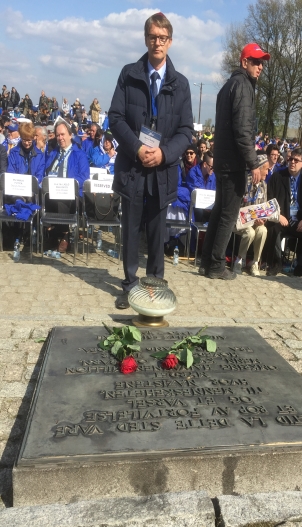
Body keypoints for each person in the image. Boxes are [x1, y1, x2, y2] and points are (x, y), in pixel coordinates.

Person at [109, 12, 193, 309]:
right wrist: (136, 148)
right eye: (152, 37)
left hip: (163, 169)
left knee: (158, 233)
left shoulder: (181, 84)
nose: (157, 43)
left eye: (163, 38)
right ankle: (131, 286)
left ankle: (155, 287)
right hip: (133, 166)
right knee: (130, 230)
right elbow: (115, 118)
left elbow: (186, 131)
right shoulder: (128, 74)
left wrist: (163, 153)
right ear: (146, 39)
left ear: (170, 42)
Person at [199, 42, 269, 279]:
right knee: (227, 215)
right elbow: (243, 131)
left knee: (220, 211)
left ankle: (207, 261)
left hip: (224, 161)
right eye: (256, 62)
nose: (260, 67)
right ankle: (217, 265)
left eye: (262, 63)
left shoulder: (229, 85)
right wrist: (254, 163)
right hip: (233, 163)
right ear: (244, 62)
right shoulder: (243, 86)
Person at [265, 147, 302, 277]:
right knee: (273, 226)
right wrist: (278, 215)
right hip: (282, 218)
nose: (292, 162)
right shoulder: (277, 177)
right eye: (291, 159)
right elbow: (269, 200)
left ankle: (301, 266)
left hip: (299, 221)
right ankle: (276, 263)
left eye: (296, 160)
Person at [45, 119, 90, 252]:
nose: (60, 138)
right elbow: (45, 172)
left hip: (73, 194)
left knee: (61, 200)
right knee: (43, 199)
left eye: (63, 134)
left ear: (70, 135)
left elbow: (84, 176)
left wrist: (66, 184)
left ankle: (63, 235)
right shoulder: (53, 153)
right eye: (58, 135)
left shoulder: (79, 154)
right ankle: (52, 233)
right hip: (52, 191)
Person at [233, 153, 269, 276]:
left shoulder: (264, 185)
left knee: (262, 230)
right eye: (266, 169)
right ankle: (239, 260)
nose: (268, 173)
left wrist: (262, 219)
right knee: (250, 232)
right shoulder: (244, 181)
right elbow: (235, 205)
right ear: (258, 169)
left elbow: (263, 207)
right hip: (239, 221)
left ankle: (255, 262)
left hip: (255, 221)